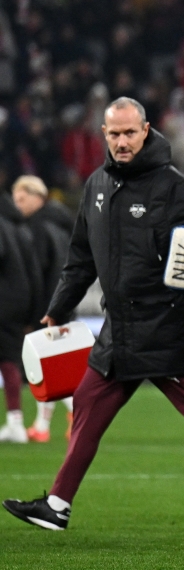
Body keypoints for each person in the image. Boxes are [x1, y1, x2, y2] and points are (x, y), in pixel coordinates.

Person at [3, 97, 184, 531]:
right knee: (88, 407)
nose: (122, 141)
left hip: (165, 327)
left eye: (129, 132)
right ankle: (57, 506)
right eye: (113, 134)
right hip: (119, 331)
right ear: (104, 135)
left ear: (146, 130)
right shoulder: (96, 186)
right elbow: (80, 259)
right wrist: (56, 310)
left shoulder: (171, 185)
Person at [11, 176, 76, 443]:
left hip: (45, 308)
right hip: (63, 304)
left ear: (37, 197)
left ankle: (76, 415)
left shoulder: (37, 228)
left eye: (22, 199)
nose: (18, 206)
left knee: (46, 370)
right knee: (52, 368)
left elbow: (36, 275)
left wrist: (32, 313)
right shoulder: (62, 225)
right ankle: (42, 425)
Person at [0, 188, 43, 443]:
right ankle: (15, 421)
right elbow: (35, 273)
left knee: (6, 360)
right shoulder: (22, 229)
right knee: (9, 360)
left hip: (3, 302)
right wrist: (33, 312)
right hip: (19, 304)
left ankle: (15, 422)